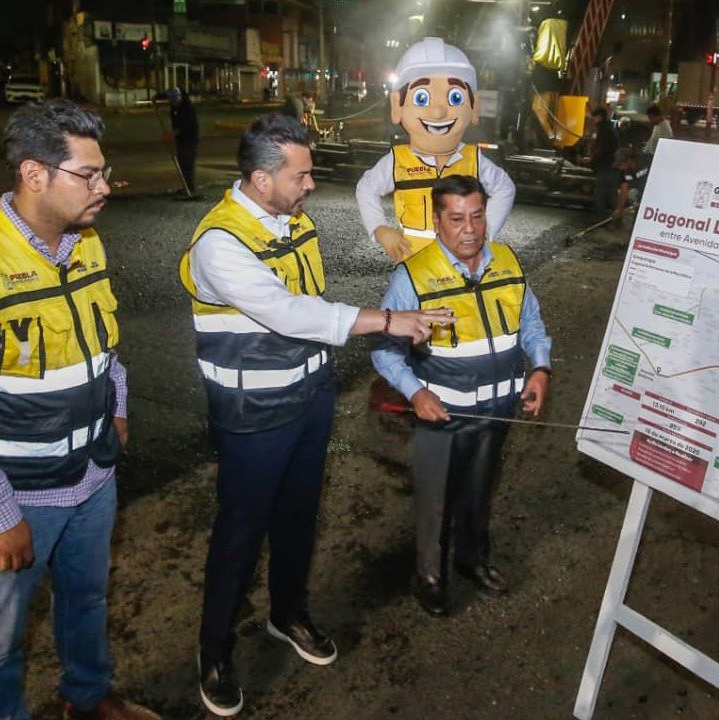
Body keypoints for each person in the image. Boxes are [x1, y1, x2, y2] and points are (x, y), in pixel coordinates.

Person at [179, 113, 456, 717]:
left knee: (300, 516)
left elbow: (312, 298)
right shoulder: (219, 244)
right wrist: (387, 321)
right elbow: (289, 312)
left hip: (310, 398)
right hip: (253, 412)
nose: (310, 186)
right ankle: (215, 651)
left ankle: (286, 613)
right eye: (301, 176)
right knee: (240, 532)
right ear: (260, 177)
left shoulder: (289, 218)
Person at [0, 100, 159, 720]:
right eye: (88, 175)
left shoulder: (87, 245)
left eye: (104, 173)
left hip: (93, 477)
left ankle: (88, 698)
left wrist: (117, 408)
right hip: (17, 496)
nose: (104, 187)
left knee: (87, 599)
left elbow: (105, 347)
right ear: (33, 174)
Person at [371, 175, 552, 617]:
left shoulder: (508, 262)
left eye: (477, 216)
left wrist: (541, 368)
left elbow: (531, 324)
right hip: (443, 416)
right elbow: (383, 349)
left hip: (499, 411)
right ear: (438, 223)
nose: (469, 229)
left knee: (479, 491)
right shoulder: (412, 276)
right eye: (456, 219)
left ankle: (472, 559)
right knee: (436, 499)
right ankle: (429, 575)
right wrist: (415, 393)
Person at [356, 37, 516, 262]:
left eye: (455, 97)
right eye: (422, 98)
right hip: (414, 262)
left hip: (461, 261)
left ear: (474, 107)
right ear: (397, 107)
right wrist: (380, 230)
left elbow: (504, 188)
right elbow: (366, 188)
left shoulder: (474, 160)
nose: (439, 113)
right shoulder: (397, 160)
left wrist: (485, 234)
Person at [583, 106, 621, 212]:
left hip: (605, 166)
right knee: (609, 192)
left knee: (601, 193)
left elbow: (602, 148)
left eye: (595, 118)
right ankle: (610, 217)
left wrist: (591, 158)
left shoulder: (604, 130)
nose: (594, 120)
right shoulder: (608, 128)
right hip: (610, 166)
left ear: (599, 117)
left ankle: (602, 217)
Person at [167, 87, 199, 197]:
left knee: (187, 164)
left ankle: (189, 188)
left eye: (175, 101)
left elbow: (186, 125)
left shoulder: (187, 108)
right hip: (181, 140)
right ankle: (185, 186)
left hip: (189, 139)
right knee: (182, 163)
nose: (174, 103)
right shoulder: (175, 107)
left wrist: (173, 133)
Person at [611, 148, 650, 221]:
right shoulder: (623, 173)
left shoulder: (647, 160)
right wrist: (619, 209)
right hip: (640, 199)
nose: (620, 167)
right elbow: (624, 190)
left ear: (629, 160)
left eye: (621, 164)